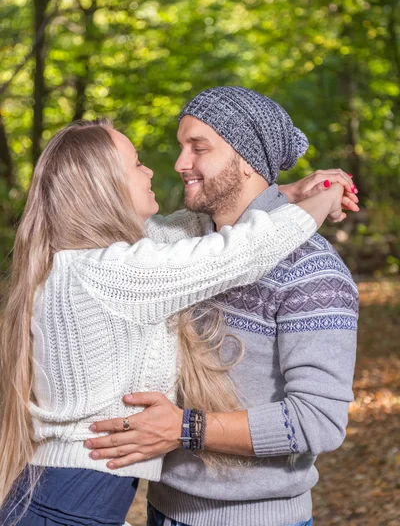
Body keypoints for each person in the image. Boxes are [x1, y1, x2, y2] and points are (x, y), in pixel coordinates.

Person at [0, 116, 348, 526]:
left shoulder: (79, 261)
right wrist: (328, 195)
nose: (160, 167)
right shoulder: (112, 271)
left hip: (65, 494)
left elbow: (184, 230)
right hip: (75, 504)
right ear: (102, 186)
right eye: (136, 164)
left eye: (198, 148)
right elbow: (244, 250)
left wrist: (283, 196)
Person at [87, 87, 359, 526]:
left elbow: (319, 421)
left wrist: (184, 428)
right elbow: (93, 238)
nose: (179, 163)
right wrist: (287, 195)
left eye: (199, 147)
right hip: (163, 510)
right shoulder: (186, 245)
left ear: (247, 159)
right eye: (181, 147)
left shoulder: (312, 271)